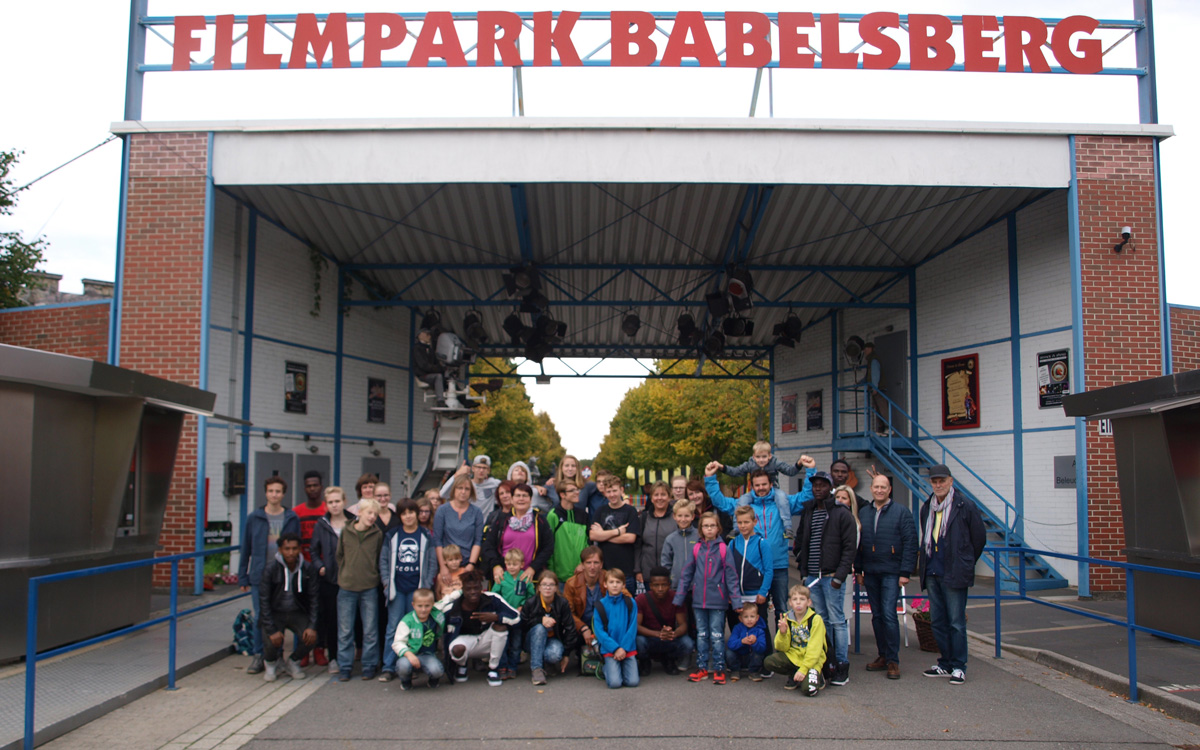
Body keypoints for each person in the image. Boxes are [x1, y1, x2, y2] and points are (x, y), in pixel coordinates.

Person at [704, 458, 815, 647]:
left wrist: (811, 470)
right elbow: (720, 501)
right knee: (755, 614)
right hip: (753, 569)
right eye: (757, 485)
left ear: (771, 484)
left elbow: (805, 496)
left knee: (782, 609)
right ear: (752, 486)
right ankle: (760, 650)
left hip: (778, 566)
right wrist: (710, 478)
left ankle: (785, 648)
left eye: (764, 484)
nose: (761, 488)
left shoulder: (782, 503)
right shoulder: (745, 507)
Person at [919, 464, 986, 686]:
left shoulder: (964, 505)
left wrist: (965, 562)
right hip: (932, 570)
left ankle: (959, 666)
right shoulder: (927, 506)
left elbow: (978, 539)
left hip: (954, 572)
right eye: (934, 481)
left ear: (950, 481)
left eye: (942, 481)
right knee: (938, 621)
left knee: (956, 622)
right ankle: (945, 663)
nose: (938, 485)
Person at [793, 470, 858, 687]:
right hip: (812, 577)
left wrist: (840, 576)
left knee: (837, 620)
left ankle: (842, 664)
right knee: (821, 621)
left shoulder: (841, 513)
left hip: (832, 577)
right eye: (815, 485)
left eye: (823, 485)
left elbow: (849, 548)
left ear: (831, 488)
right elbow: (801, 540)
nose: (818, 488)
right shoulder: (809, 511)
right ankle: (827, 661)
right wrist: (803, 570)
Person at [856, 473, 918, 680]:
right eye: (876, 487)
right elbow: (859, 544)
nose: (879, 490)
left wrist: (905, 572)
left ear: (889, 489)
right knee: (877, 616)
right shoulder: (864, 512)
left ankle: (893, 660)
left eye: (883, 487)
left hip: (892, 571)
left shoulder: (901, 512)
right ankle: (882, 655)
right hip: (871, 572)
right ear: (871, 489)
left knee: (889, 615)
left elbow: (910, 543)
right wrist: (859, 570)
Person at [238, 475, 300, 675]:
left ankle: (277, 656)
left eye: (278, 491)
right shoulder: (254, 518)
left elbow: (298, 548)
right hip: (260, 575)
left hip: (283, 576)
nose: (274, 495)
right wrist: (242, 575)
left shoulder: (291, 518)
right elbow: (246, 547)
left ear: (283, 494)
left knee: (279, 617)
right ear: (265, 493)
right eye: (271, 491)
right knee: (260, 617)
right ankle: (259, 655)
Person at [673, 511, 741, 685]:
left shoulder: (724, 549)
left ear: (718, 528)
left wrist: (736, 600)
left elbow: (731, 576)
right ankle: (702, 667)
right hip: (698, 601)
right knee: (702, 635)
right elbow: (687, 574)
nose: (709, 529)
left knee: (717, 635)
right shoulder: (696, 548)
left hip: (718, 600)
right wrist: (679, 598)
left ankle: (719, 668)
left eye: (712, 526)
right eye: (705, 526)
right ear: (701, 529)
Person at [378, 498, 438, 682]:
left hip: (417, 589)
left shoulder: (425, 535)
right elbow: (384, 561)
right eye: (404, 514)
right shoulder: (392, 535)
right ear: (400, 516)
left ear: (417, 514)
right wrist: (386, 583)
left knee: (416, 627)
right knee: (393, 627)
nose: (408, 516)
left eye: (411, 512)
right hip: (397, 589)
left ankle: (413, 665)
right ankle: (389, 667)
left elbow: (432, 562)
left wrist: (427, 585)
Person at [439, 570, 521, 687]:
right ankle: (462, 666)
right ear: (463, 590)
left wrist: (496, 617)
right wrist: (451, 597)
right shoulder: (453, 606)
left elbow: (516, 617)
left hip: (486, 640)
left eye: (476, 588)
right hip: (464, 641)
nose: (473, 592)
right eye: (468, 589)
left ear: (481, 588)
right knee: (457, 649)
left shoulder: (492, 599)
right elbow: (435, 612)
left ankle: (493, 669)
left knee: (500, 627)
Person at [258, 532, 318, 682]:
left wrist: (312, 626)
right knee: (270, 640)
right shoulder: (270, 569)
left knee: (312, 636)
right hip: (276, 612)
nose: (291, 552)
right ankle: (271, 663)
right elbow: (264, 601)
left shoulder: (307, 568)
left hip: (297, 612)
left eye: (294, 548)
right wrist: (272, 630)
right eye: (287, 549)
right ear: (280, 550)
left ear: (300, 549)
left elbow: (314, 599)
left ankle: (293, 662)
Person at [335, 497, 383, 681]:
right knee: (345, 630)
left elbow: (378, 557)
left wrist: (372, 574)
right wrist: (346, 572)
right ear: (359, 512)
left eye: (375, 514)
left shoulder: (377, 534)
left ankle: (369, 665)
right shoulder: (346, 532)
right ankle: (345, 666)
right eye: (369, 513)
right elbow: (339, 555)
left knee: (370, 630)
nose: (372, 517)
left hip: (369, 587)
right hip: (347, 587)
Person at [719, 440, 803, 538]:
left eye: (764, 457)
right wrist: (722, 468)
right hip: (755, 492)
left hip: (773, 490)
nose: (761, 460)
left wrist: (799, 464)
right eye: (758, 457)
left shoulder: (775, 463)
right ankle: (736, 529)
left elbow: (790, 471)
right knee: (742, 501)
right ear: (754, 457)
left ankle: (787, 528)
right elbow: (736, 471)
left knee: (783, 499)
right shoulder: (750, 464)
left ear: (769, 456)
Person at [310, 486, 352, 672]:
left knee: (350, 621)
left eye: (337, 501)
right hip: (329, 580)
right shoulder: (321, 524)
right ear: (326, 505)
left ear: (344, 502)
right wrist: (320, 566)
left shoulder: (353, 522)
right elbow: (313, 550)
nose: (334, 505)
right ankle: (334, 658)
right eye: (331, 502)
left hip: (351, 578)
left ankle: (350, 657)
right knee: (332, 621)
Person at [482, 483, 554, 585]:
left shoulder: (540, 520)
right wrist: (495, 566)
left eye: (525, 496)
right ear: (512, 499)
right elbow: (488, 545)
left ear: (530, 499)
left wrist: (533, 568)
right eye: (518, 495)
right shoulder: (501, 520)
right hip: (504, 577)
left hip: (529, 577)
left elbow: (548, 547)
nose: (521, 499)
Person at [764, 584, 826, 696]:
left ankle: (817, 675)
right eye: (795, 599)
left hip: (811, 660)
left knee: (809, 690)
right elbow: (781, 647)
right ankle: (794, 674)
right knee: (769, 662)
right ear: (790, 603)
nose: (798, 603)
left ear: (808, 602)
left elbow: (815, 649)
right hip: (794, 656)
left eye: (802, 599)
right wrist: (782, 633)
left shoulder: (816, 619)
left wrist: (804, 669)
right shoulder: (786, 618)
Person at [520, 570, 580, 685]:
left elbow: (570, 628)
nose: (547, 588)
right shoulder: (531, 603)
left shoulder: (562, 603)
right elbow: (522, 625)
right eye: (544, 584)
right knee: (540, 628)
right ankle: (536, 669)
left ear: (556, 588)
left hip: (552, 639)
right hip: (531, 641)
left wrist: (566, 654)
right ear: (539, 587)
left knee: (555, 654)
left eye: (551, 585)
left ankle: (547, 663)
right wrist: (540, 620)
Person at [728, 506, 774, 647]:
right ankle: (741, 657)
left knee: (761, 629)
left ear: (754, 522)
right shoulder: (733, 543)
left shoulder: (762, 543)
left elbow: (769, 570)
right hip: (738, 596)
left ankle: (765, 657)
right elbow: (728, 570)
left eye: (746, 522)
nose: (743, 526)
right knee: (737, 628)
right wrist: (731, 593)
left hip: (756, 596)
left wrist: (763, 592)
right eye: (740, 522)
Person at [635, 566, 693, 676]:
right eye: (656, 585)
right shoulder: (641, 599)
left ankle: (669, 659)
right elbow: (637, 626)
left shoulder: (676, 598)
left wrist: (674, 633)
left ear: (669, 585)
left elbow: (683, 625)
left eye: (664, 585)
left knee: (688, 644)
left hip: (669, 637)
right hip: (649, 637)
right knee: (638, 641)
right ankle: (644, 661)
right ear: (650, 586)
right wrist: (657, 634)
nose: (660, 588)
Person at [590, 474, 641, 591]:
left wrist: (603, 535)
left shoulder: (630, 511)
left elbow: (630, 538)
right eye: (609, 491)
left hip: (626, 571)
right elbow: (593, 535)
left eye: (614, 491)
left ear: (621, 490)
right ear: (604, 493)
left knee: (627, 601)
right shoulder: (600, 511)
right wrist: (617, 532)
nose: (612, 494)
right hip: (605, 570)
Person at [391, 588, 445, 690]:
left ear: (433, 605)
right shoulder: (407, 621)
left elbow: (448, 599)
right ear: (413, 605)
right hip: (410, 654)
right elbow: (397, 643)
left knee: (437, 670)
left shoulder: (435, 614)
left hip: (427, 655)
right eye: (419, 606)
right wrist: (409, 654)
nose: (423, 609)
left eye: (427, 606)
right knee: (403, 666)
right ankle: (406, 681)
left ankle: (433, 680)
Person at [594, 568, 639, 689]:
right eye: (611, 582)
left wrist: (623, 648)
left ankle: (622, 668)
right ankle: (606, 668)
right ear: (605, 584)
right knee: (615, 683)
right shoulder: (600, 605)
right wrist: (615, 648)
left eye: (618, 582)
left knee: (633, 682)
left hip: (627, 648)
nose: (614, 585)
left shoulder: (630, 602)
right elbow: (599, 632)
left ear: (623, 585)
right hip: (610, 649)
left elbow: (632, 627)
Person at [494, 548, 534, 679]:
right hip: (504, 616)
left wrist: (523, 606)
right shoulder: (502, 578)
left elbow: (531, 597)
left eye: (515, 564)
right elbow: (494, 595)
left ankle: (512, 666)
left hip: (518, 617)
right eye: (509, 564)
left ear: (522, 564)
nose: (511, 567)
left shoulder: (525, 578)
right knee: (503, 643)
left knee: (516, 643)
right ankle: (502, 666)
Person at [433, 476, 485, 576]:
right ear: (454, 490)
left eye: (467, 489)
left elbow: (477, 541)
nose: (463, 492)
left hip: (468, 564)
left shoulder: (477, 512)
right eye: (460, 488)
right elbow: (437, 540)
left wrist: (471, 564)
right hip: (447, 564)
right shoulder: (442, 510)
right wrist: (443, 566)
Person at [564, 546, 607, 652]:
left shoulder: (609, 578)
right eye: (588, 563)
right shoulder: (571, 583)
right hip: (581, 628)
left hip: (605, 627)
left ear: (601, 564)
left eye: (596, 563)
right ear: (582, 565)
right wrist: (582, 628)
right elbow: (568, 613)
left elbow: (627, 598)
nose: (592, 567)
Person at [546, 480, 590, 584]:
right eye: (572, 490)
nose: (577, 492)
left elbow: (588, 543)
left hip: (581, 575)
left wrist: (583, 563)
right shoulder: (553, 515)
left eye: (577, 490)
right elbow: (548, 545)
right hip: (560, 578)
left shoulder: (583, 515)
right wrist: (551, 573)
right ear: (562, 495)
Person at [634, 481, 675, 590]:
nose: (659, 498)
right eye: (656, 495)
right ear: (651, 498)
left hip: (671, 574)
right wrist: (638, 570)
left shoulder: (676, 518)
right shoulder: (644, 518)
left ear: (669, 497)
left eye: (663, 494)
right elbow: (638, 546)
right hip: (648, 574)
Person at [660, 499, 699, 591]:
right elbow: (666, 563)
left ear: (692, 517)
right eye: (680, 516)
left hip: (698, 586)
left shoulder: (700, 537)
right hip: (677, 587)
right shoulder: (670, 539)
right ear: (674, 516)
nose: (683, 519)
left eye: (687, 516)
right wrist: (671, 579)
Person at [725, 602, 768, 682]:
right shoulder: (737, 628)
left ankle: (754, 671)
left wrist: (755, 642)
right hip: (739, 656)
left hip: (751, 657)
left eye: (752, 616)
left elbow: (763, 648)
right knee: (729, 653)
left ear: (757, 618)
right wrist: (741, 641)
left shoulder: (760, 630)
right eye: (746, 617)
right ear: (740, 618)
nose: (749, 620)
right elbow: (730, 644)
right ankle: (735, 670)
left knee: (758, 654)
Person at [293, 470, 326, 562]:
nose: (312, 488)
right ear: (305, 488)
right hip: (302, 562)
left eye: (315, 485)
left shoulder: (328, 510)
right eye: (309, 486)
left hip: (325, 562)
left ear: (321, 487)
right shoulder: (296, 512)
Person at [413, 327, 447, 407]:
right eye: (427, 334)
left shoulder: (430, 349)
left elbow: (436, 362)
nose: (429, 336)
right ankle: (440, 401)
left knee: (448, 379)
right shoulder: (417, 349)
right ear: (420, 335)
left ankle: (464, 400)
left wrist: (442, 369)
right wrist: (436, 369)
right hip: (422, 375)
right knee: (438, 377)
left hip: (430, 373)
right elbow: (423, 365)